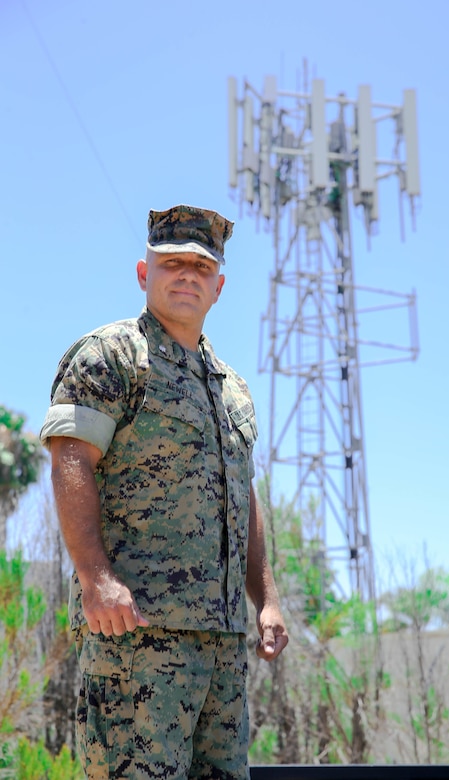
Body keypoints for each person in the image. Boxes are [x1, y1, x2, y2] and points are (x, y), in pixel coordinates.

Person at [40, 204, 289, 779]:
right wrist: (95, 578)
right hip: (137, 638)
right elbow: (70, 457)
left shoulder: (233, 390)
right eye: (171, 263)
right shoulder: (112, 356)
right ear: (142, 273)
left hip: (222, 646)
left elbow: (241, 496)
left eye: (201, 268)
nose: (186, 275)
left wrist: (266, 597)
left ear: (219, 287)